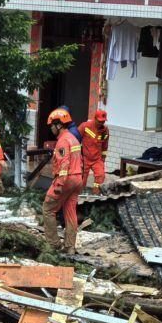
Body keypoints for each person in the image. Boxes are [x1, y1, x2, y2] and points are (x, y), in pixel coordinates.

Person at [43, 108, 84, 253]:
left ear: (59, 125)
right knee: (70, 211)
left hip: (66, 180)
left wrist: (59, 183)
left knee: (48, 208)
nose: (51, 128)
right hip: (77, 178)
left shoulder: (63, 141)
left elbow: (64, 163)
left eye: (52, 126)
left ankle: (53, 245)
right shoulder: (73, 138)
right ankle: (70, 246)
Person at [79, 109, 110, 194]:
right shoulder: (85, 126)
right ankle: (77, 197)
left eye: (103, 121)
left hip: (97, 159)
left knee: (101, 175)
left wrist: (102, 160)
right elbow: (76, 139)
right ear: (95, 118)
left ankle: (95, 194)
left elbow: (105, 147)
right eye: (100, 121)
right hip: (85, 158)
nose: (101, 123)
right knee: (82, 179)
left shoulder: (105, 131)